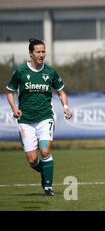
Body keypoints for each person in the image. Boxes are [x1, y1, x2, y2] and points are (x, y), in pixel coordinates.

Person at [5, 38, 72, 196]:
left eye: (43, 51)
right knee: (32, 159)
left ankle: (48, 187)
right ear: (31, 53)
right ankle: (44, 171)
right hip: (26, 120)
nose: (41, 54)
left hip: (45, 117)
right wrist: (14, 108)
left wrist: (66, 106)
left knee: (45, 150)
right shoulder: (21, 71)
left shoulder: (50, 72)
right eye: (38, 52)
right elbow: (9, 91)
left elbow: (61, 92)